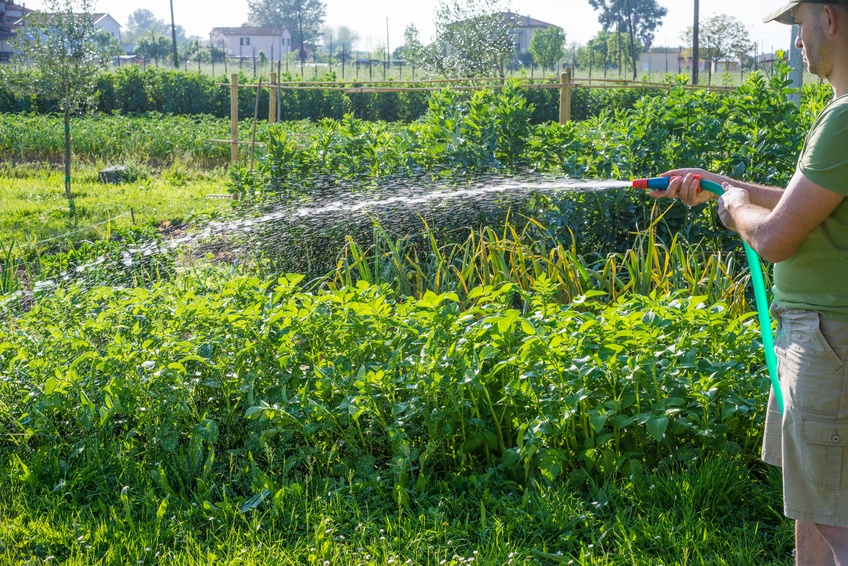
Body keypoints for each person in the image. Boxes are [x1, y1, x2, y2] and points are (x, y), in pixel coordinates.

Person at [650, 1, 848, 563]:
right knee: (813, 505)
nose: (798, 41)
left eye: (799, 24)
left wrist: (733, 205)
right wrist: (722, 185)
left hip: (830, 342)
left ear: (829, 19)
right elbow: (806, 207)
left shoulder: (846, 119)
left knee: (840, 521)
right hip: (819, 336)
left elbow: (775, 238)